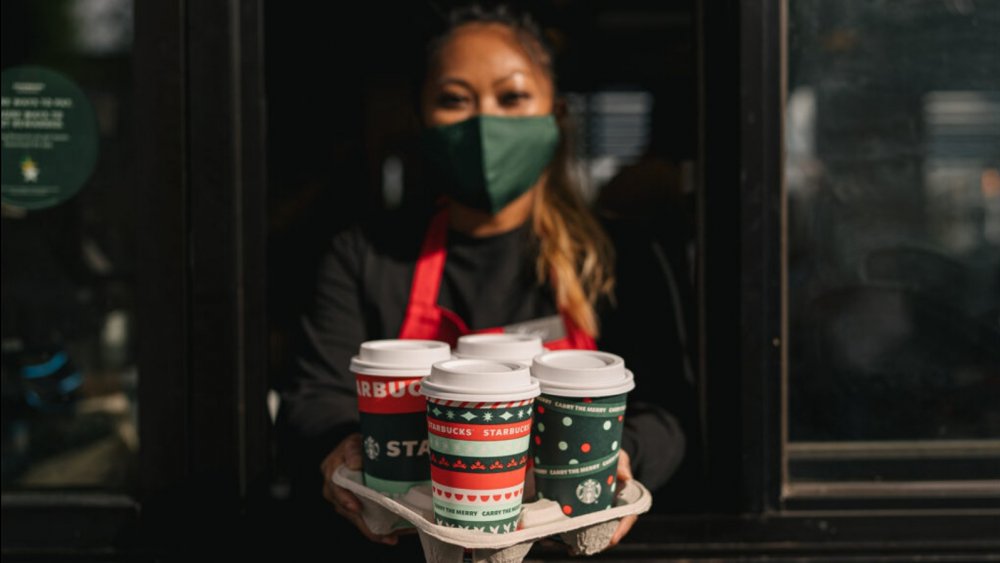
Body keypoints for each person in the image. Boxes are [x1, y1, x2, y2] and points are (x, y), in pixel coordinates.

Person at [274, 3, 691, 557]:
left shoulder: (620, 257)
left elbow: (669, 412)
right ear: (422, 119)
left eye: (512, 97)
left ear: (556, 114)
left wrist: (619, 453)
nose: (484, 123)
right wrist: (343, 450)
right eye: (454, 100)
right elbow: (313, 401)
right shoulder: (365, 255)